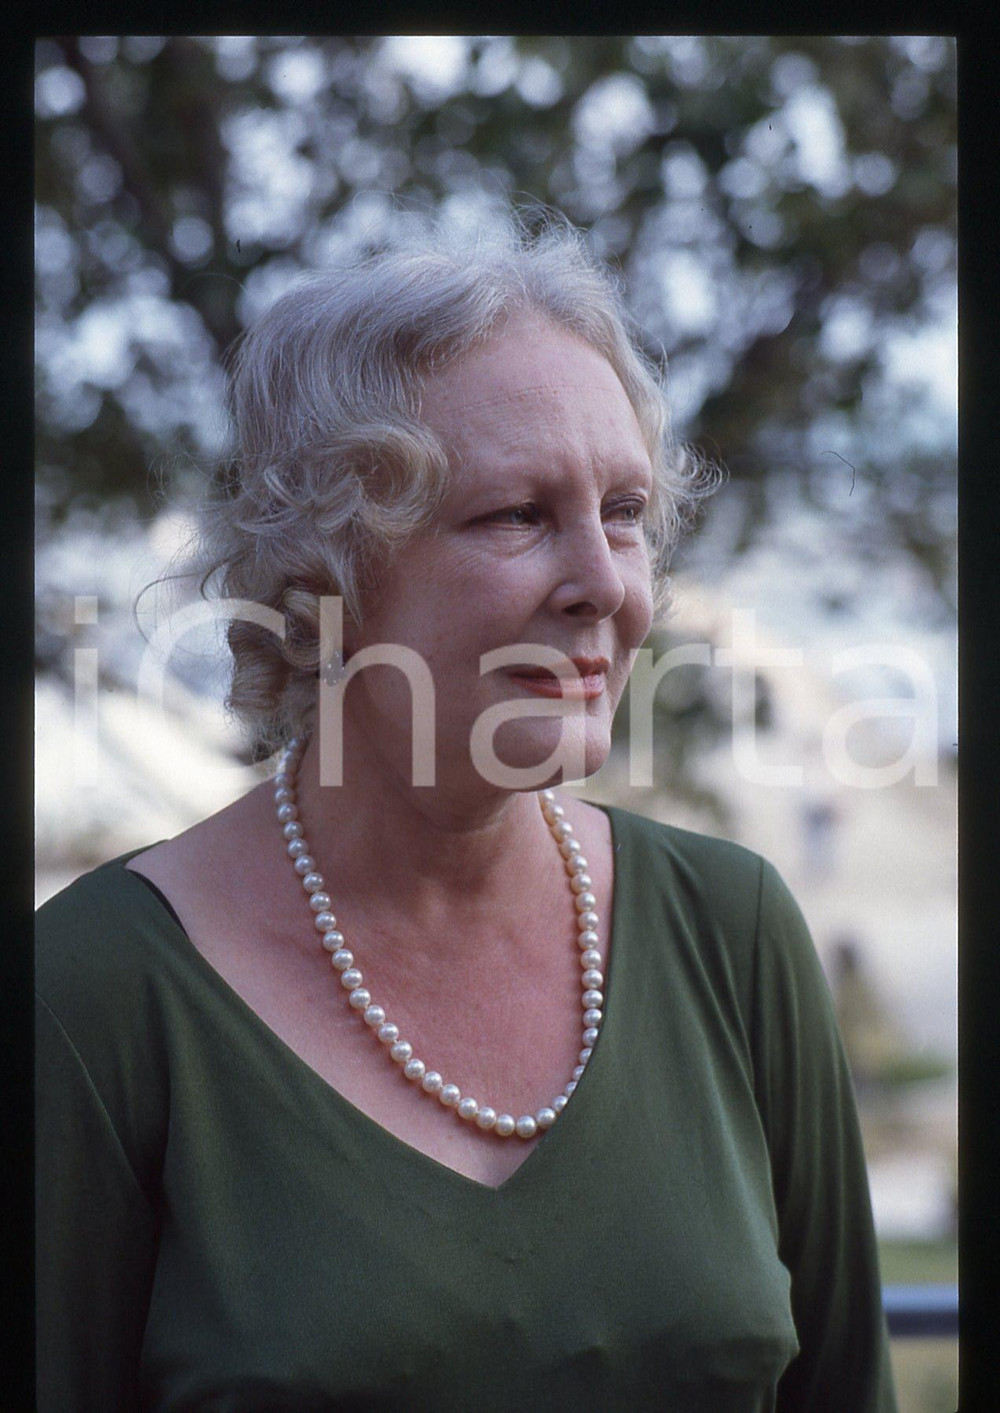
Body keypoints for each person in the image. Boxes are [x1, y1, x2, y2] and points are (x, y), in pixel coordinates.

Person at [35, 211, 897, 1410]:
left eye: (626, 513)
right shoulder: (93, 993)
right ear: (327, 574)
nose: (605, 585)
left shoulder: (730, 930)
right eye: (518, 516)